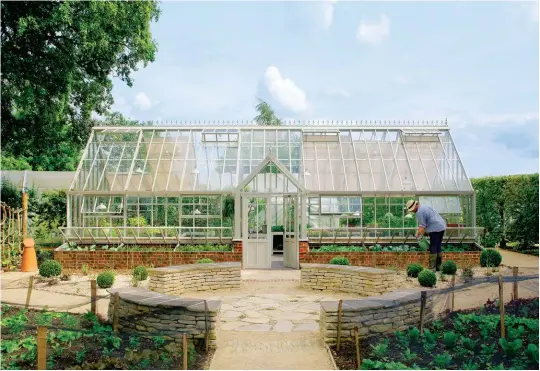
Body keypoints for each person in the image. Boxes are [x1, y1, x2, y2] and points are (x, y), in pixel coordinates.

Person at [406, 200, 447, 271]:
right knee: (438, 245)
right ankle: (438, 267)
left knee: (433, 246)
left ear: (416, 205)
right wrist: (425, 232)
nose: (412, 211)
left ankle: (432, 268)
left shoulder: (420, 212)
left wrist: (417, 234)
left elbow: (422, 225)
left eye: (412, 209)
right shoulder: (425, 206)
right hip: (441, 226)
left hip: (435, 228)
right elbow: (430, 219)